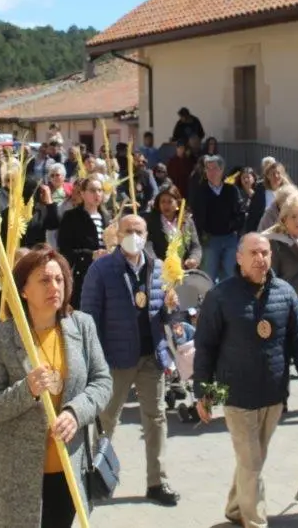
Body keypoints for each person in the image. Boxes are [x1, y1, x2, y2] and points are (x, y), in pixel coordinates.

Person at [0, 246, 113, 528]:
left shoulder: (82, 325)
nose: (54, 286)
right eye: (44, 280)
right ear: (23, 290)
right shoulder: (1, 338)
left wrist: (76, 413)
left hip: (69, 466)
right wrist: (26, 390)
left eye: (59, 279)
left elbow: (102, 382)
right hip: (20, 474)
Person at [192, 233, 298, 528]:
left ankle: (236, 507)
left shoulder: (285, 293)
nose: (260, 258)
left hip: (273, 394)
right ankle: (255, 521)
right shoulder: (221, 295)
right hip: (235, 394)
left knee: (254, 461)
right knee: (251, 463)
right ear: (239, 258)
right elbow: (206, 347)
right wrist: (204, 394)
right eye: (253, 253)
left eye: (265, 253)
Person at [81, 215, 181, 506]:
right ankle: (96, 477)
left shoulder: (159, 267)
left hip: (152, 355)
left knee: (157, 418)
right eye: (128, 231)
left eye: (138, 231)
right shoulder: (101, 270)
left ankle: (157, 482)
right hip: (115, 358)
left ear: (146, 234)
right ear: (116, 234)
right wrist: (93, 360)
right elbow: (89, 317)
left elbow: (165, 314)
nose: (133, 236)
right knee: (106, 420)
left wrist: (172, 309)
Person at [57, 174, 109, 309]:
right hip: (83, 274)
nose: (97, 194)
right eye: (92, 190)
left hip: (106, 273)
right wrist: (90, 254)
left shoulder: (107, 217)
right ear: (82, 193)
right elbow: (65, 250)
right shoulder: (71, 217)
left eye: (100, 190)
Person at [192, 155, 244, 283]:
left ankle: (227, 302)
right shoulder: (200, 191)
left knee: (230, 274)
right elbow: (196, 215)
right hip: (209, 239)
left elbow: (241, 212)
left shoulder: (231, 190)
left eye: (214, 168)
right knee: (208, 275)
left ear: (221, 170)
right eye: (208, 169)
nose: (211, 172)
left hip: (229, 238)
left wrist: (233, 226)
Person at [145, 185, 202, 267]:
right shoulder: (151, 222)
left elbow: (195, 246)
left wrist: (193, 259)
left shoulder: (187, 221)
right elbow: (148, 245)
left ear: (178, 204)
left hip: (184, 269)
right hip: (161, 270)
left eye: (170, 202)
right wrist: (156, 262)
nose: (166, 205)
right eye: (163, 201)